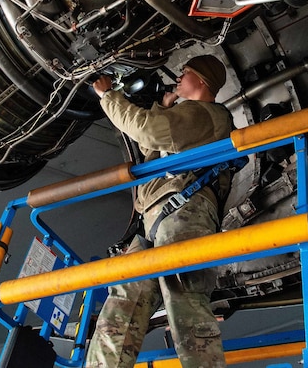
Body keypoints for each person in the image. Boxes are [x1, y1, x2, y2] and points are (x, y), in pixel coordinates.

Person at [85, 55, 234, 368]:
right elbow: (151, 152)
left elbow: (146, 130)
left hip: (185, 210)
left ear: (202, 81)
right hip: (157, 216)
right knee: (122, 304)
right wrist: (165, 109)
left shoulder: (206, 114)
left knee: (185, 301)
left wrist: (108, 95)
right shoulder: (187, 117)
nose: (179, 77)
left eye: (186, 72)